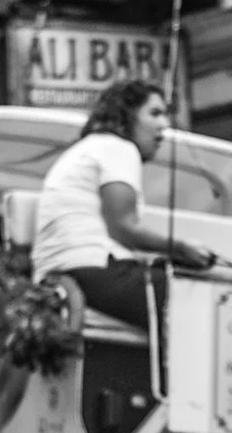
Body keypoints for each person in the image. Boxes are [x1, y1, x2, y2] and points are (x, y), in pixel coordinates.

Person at [30, 78, 216, 330]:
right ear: (127, 115)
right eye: (155, 113)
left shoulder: (87, 149)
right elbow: (122, 227)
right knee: (203, 302)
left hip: (61, 274)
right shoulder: (118, 148)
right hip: (94, 268)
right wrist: (181, 248)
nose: (165, 125)